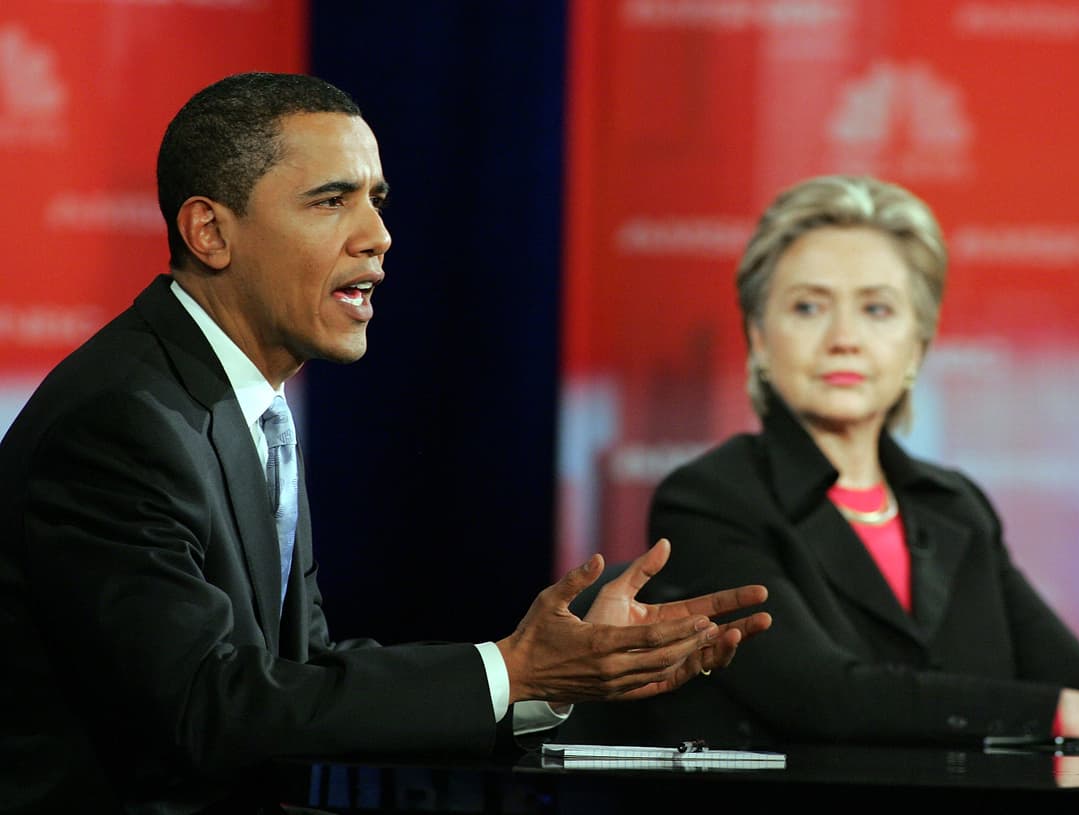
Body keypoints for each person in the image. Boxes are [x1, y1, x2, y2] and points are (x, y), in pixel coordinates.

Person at [0, 72, 772, 815]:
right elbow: (204, 708)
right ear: (210, 231)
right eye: (331, 200)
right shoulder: (120, 423)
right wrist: (509, 669)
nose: (378, 236)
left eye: (376, 200)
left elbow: (297, 672)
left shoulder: (243, 405)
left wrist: (539, 678)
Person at [562, 174, 1079, 750]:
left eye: (877, 309)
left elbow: (1067, 672)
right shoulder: (712, 497)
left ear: (918, 345)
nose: (844, 338)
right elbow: (821, 696)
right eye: (808, 307)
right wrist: (1077, 711)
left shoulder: (952, 503)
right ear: (760, 339)